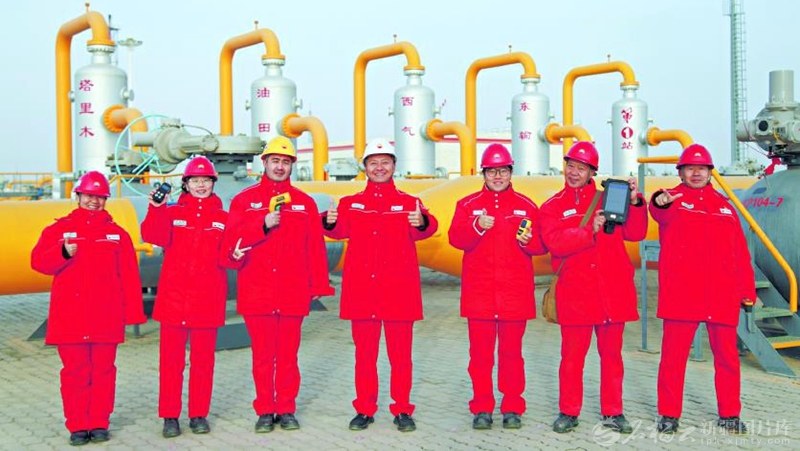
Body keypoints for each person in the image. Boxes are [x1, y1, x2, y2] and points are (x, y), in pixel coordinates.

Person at [322, 138, 438, 433]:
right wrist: (329, 221)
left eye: (385, 162)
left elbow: (428, 227)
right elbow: (337, 230)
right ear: (365, 168)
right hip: (362, 292)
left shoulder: (410, 202)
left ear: (394, 166)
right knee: (364, 356)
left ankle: (403, 409)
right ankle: (364, 408)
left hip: (399, 292)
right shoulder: (350, 203)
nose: (379, 168)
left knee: (401, 358)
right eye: (373, 163)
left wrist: (421, 221)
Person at [221, 136, 333, 433]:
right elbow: (230, 245)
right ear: (265, 163)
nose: (280, 167)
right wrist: (262, 225)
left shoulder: (304, 203)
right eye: (275, 161)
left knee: (287, 357)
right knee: (262, 357)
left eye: (285, 162)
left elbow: (315, 248)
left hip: (292, 292)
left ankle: (286, 408)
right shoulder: (244, 201)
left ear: (292, 165)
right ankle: (264, 410)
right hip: (257, 291)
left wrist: (317, 286)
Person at [30, 171, 146, 446]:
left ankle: (99, 423)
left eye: (100, 197)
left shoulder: (118, 235)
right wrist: (62, 253)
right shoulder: (58, 230)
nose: (94, 201)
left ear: (106, 199)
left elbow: (129, 278)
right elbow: (38, 262)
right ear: (78, 196)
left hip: (106, 316)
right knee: (75, 372)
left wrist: (132, 315)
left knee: (103, 371)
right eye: (89, 196)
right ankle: (78, 425)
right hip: (70, 316)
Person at [539, 141, 647, 435]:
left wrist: (636, 202)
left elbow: (636, 232)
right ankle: (568, 411)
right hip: (576, 294)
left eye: (581, 168)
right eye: (571, 166)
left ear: (592, 172)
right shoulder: (552, 207)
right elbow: (555, 244)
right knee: (571, 359)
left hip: (612, 292)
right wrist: (589, 231)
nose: (574, 172)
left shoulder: (610, 197)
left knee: (612, 358)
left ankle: (613, 412)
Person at [650, 144, 755, 435]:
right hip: (682, 295)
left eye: (701, 168)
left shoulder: (725, 207)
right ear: (681, 172)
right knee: (673, 359)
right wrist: (660, 201)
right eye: (690, 168)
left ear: (710, 172)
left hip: (721, 295)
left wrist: (747, 290)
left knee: (727, 359)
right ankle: (669, 414)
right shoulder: (673, 199)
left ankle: (730, 413)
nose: (696, 173)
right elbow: (658, 210)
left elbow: (740, 253)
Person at [448, 143, 546, 430]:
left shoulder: (527, 206)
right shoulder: (467, 205)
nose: (498, 177)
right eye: (492, 171)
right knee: (480, 357)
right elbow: (456, 239)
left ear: (511, 172)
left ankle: (512, 407)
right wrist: (477, 225)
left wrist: (530, 242)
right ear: (484, 173)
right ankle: (482, 407)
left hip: (514, 295)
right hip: (479, 295)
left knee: (512, 355)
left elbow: (540, 247)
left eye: (503, 171)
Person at [141, 156, 234, 438]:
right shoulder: (171, 213)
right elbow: (153, 236)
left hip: (208, 301)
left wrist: (238, 254)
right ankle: (170, 416)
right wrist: (156, 208)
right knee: (171, 363)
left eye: (206, 180)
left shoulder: (224, 219)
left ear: (213, 183)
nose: (201, 185)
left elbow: (230, 257)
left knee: (203, 363)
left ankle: (198, 415)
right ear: (186, 184)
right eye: (195, 180)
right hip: (173, 301)